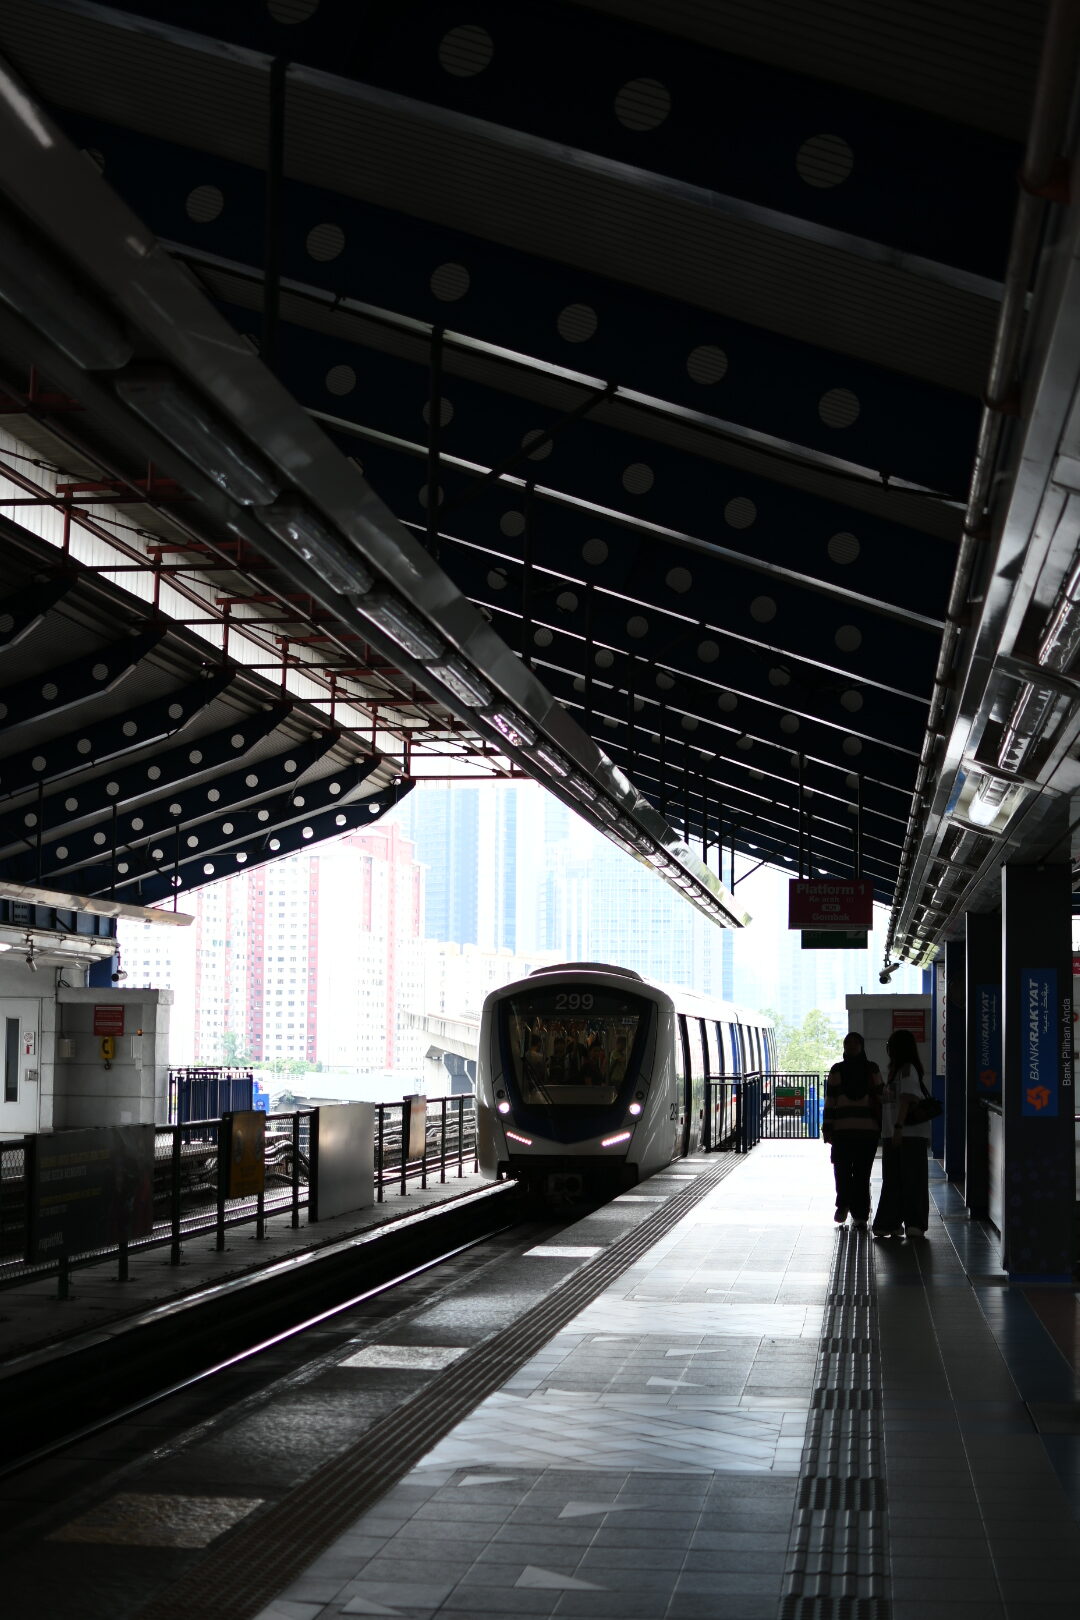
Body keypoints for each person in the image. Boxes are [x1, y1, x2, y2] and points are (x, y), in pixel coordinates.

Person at [873, 1029, 931, 1238]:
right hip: (894, 1133)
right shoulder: (896, 1071)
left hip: (907, 1133)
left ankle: (913, 1223)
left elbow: (907, 1098)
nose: (888, 1048)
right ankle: (893, 1222)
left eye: (890, 1045)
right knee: (894, 1178)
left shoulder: (907, 1069)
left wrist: (898, 1127)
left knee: (910, 1178)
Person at [822, 1032, 884, 1228]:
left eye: (855, 1043)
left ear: (862, 1046)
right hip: (852, 1131)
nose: (852, 1046)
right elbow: (830, 1101)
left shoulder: (869, 1069)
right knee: (845, 1171)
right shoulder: (841, 1070)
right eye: (848, 1043)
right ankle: (848, 1207)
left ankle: (857, 1213)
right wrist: (827, 1127)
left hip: (859, 1131)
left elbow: (881, 1097)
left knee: (858, 1174)